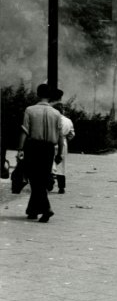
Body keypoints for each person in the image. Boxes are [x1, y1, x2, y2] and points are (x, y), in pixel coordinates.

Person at [16, 84, 64, 222]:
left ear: (37, 94)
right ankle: (32, 211)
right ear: (50, 97)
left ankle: (46, 208)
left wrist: (20, 149)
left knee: (35, 179)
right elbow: (60, 136)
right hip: (49, 149)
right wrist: (59, 153)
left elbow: (24, 131)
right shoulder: (56, 113)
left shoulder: (30, 110)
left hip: (32, 147)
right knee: (41, 179)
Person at [51, 102, 75, 194]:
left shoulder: (51, 119)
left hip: (51, 141)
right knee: (61, 165)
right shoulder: (68, 121)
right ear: (62, 111)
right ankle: (61, 187)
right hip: (63, 143)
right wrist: (66, 139)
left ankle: (50, 181)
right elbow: (72, 134)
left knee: (50, 163)